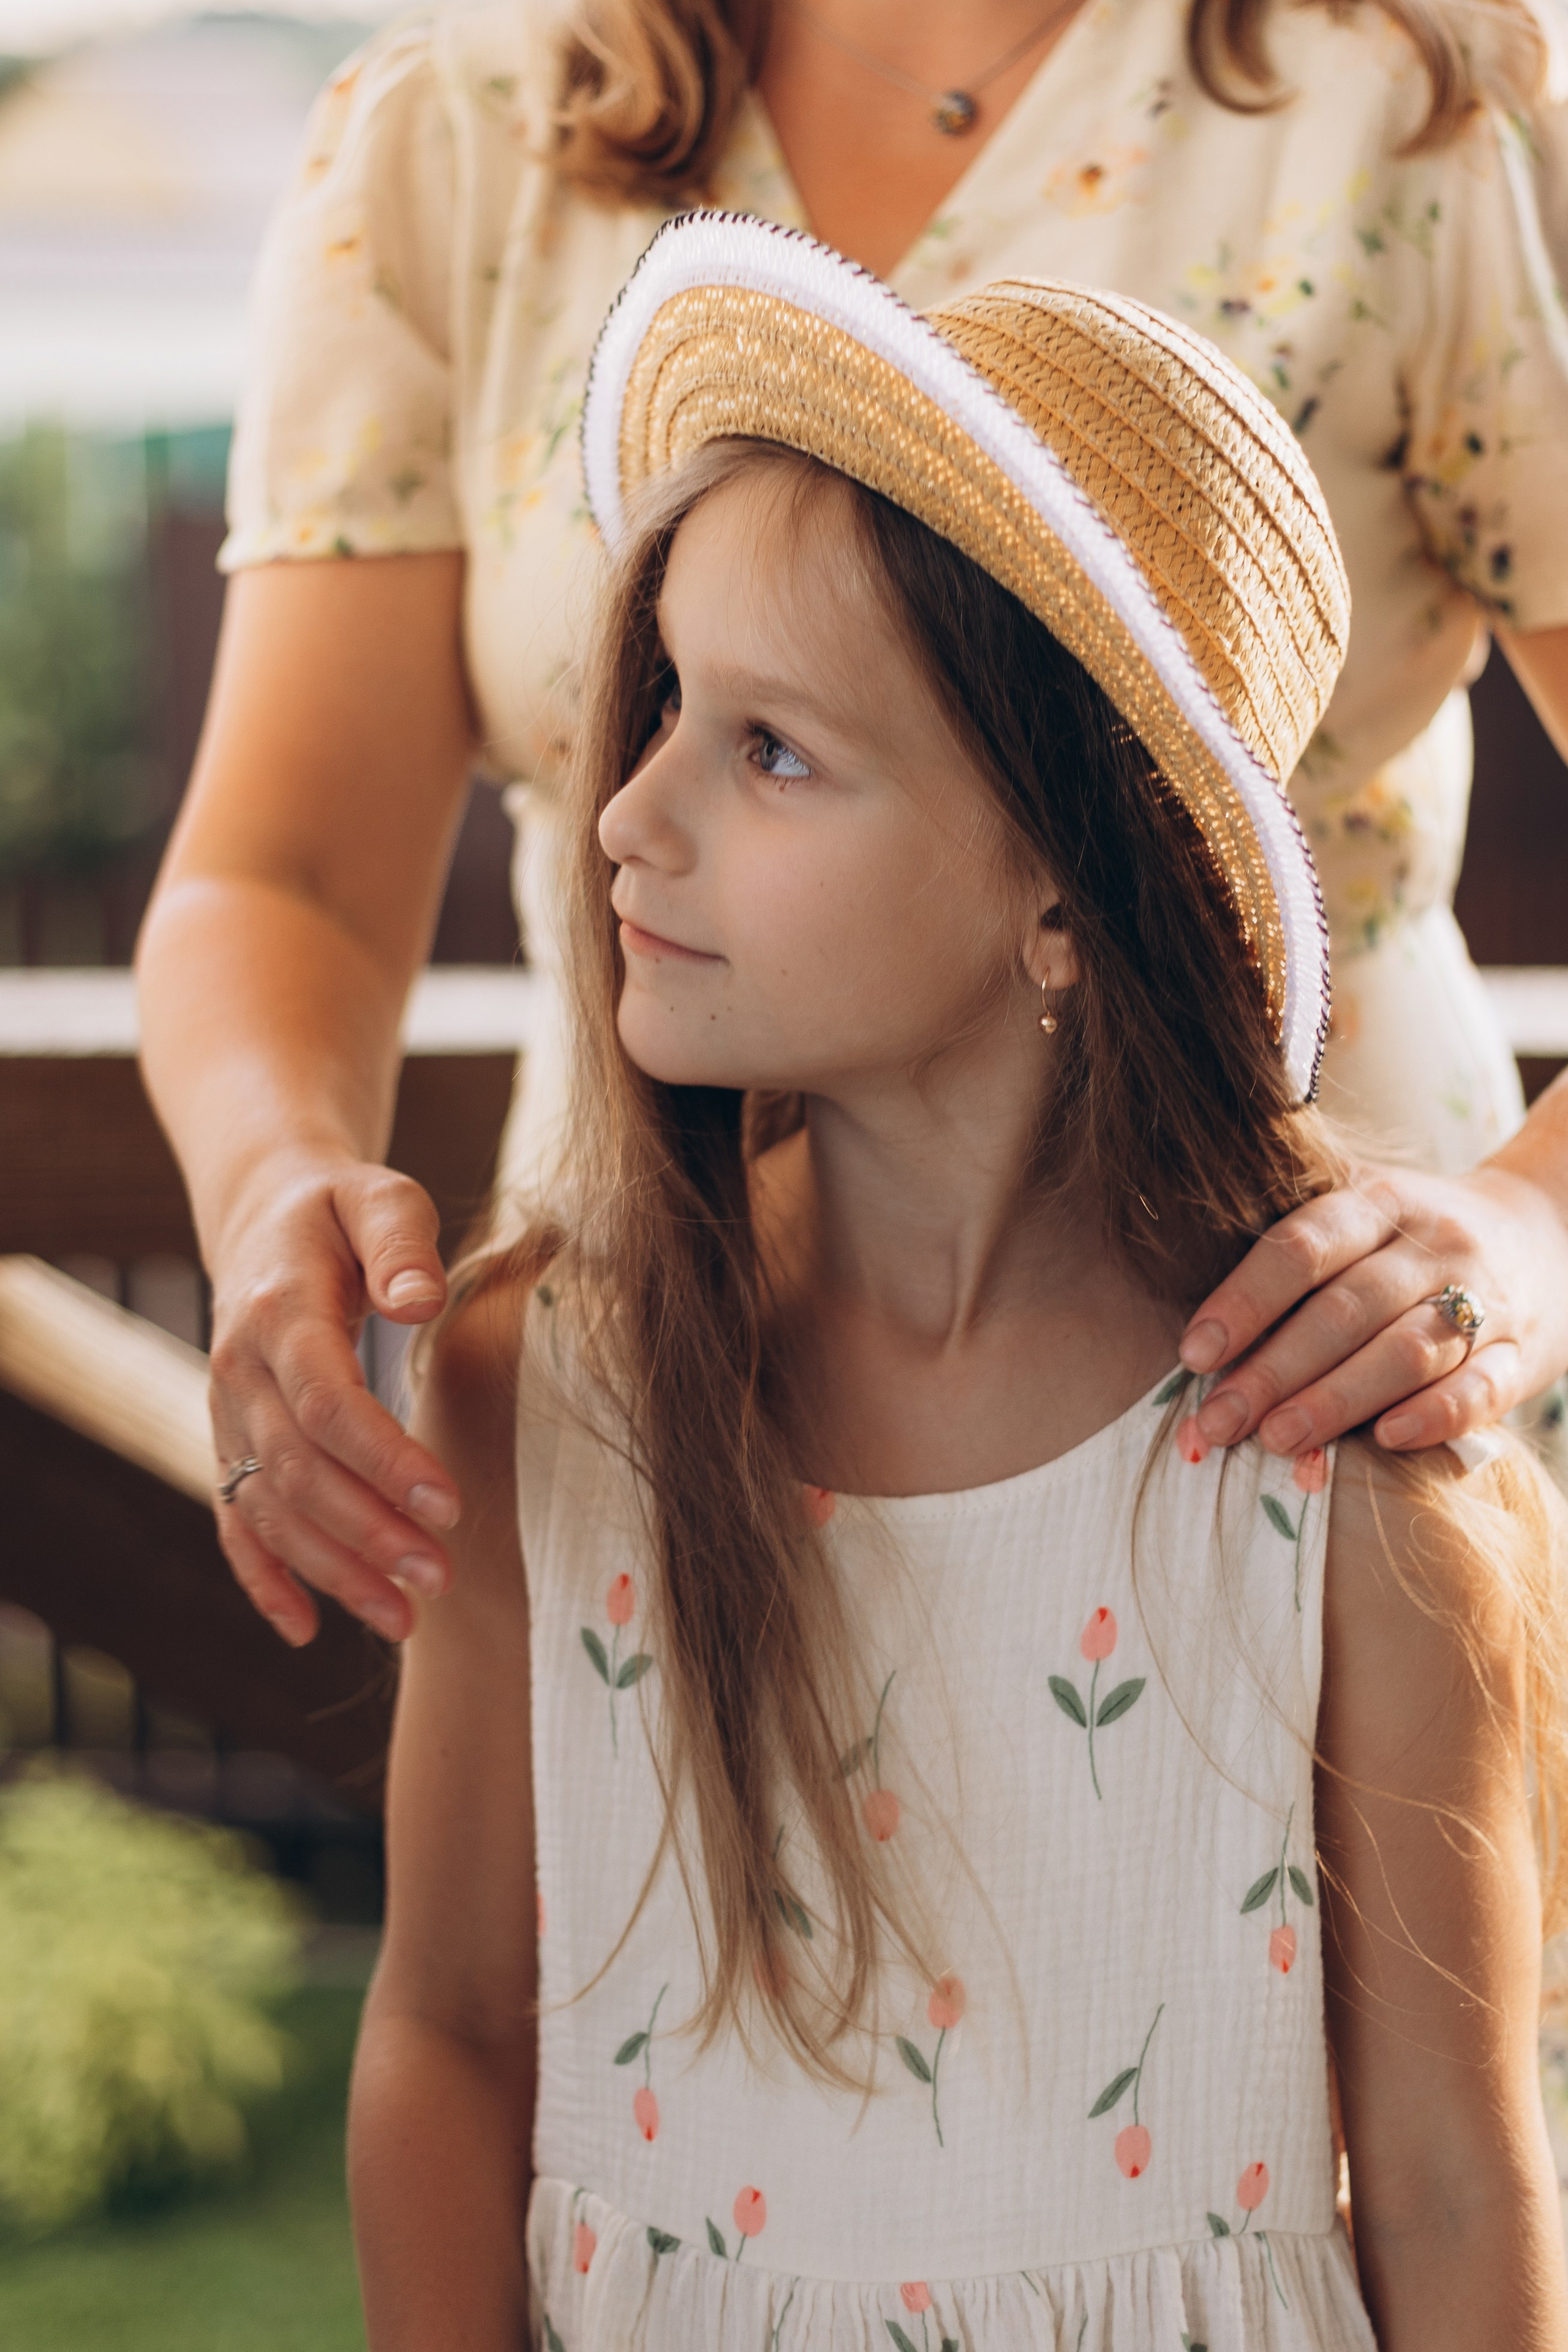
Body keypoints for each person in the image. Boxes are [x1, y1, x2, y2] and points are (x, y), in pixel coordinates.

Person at [347, 222, 1568, 2350]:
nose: (628, 817)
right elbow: (448, 2033)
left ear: (1066, 895)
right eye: (665, 717)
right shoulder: (530, 1384)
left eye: (772, 751)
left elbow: (1461, 2192)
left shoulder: (1343, 1488)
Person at [137, 0, 1568, 1654]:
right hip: (664, 1384)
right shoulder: (451, 126)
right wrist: (268, 1189)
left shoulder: (1420, 99)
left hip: (1313, 1382)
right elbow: (286, 873)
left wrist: (1533, 1223)